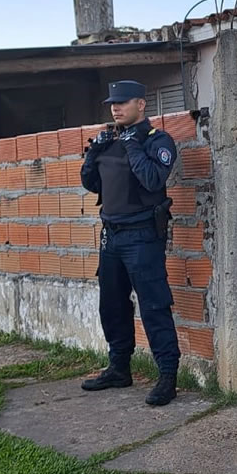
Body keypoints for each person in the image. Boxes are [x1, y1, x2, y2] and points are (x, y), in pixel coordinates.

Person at [80, 80, 181, 406]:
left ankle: (167, 377)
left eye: (122, 102)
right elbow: (91, 183)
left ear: (142, 104)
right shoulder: (111, 140)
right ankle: (119, 368)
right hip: (111, 235)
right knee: (112, 306)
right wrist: (94, 151)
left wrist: (131, 145)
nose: (115, 107)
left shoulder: (157, 141)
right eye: (113, 103)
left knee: (154, 305)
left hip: (142, 235)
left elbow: (152, 179)